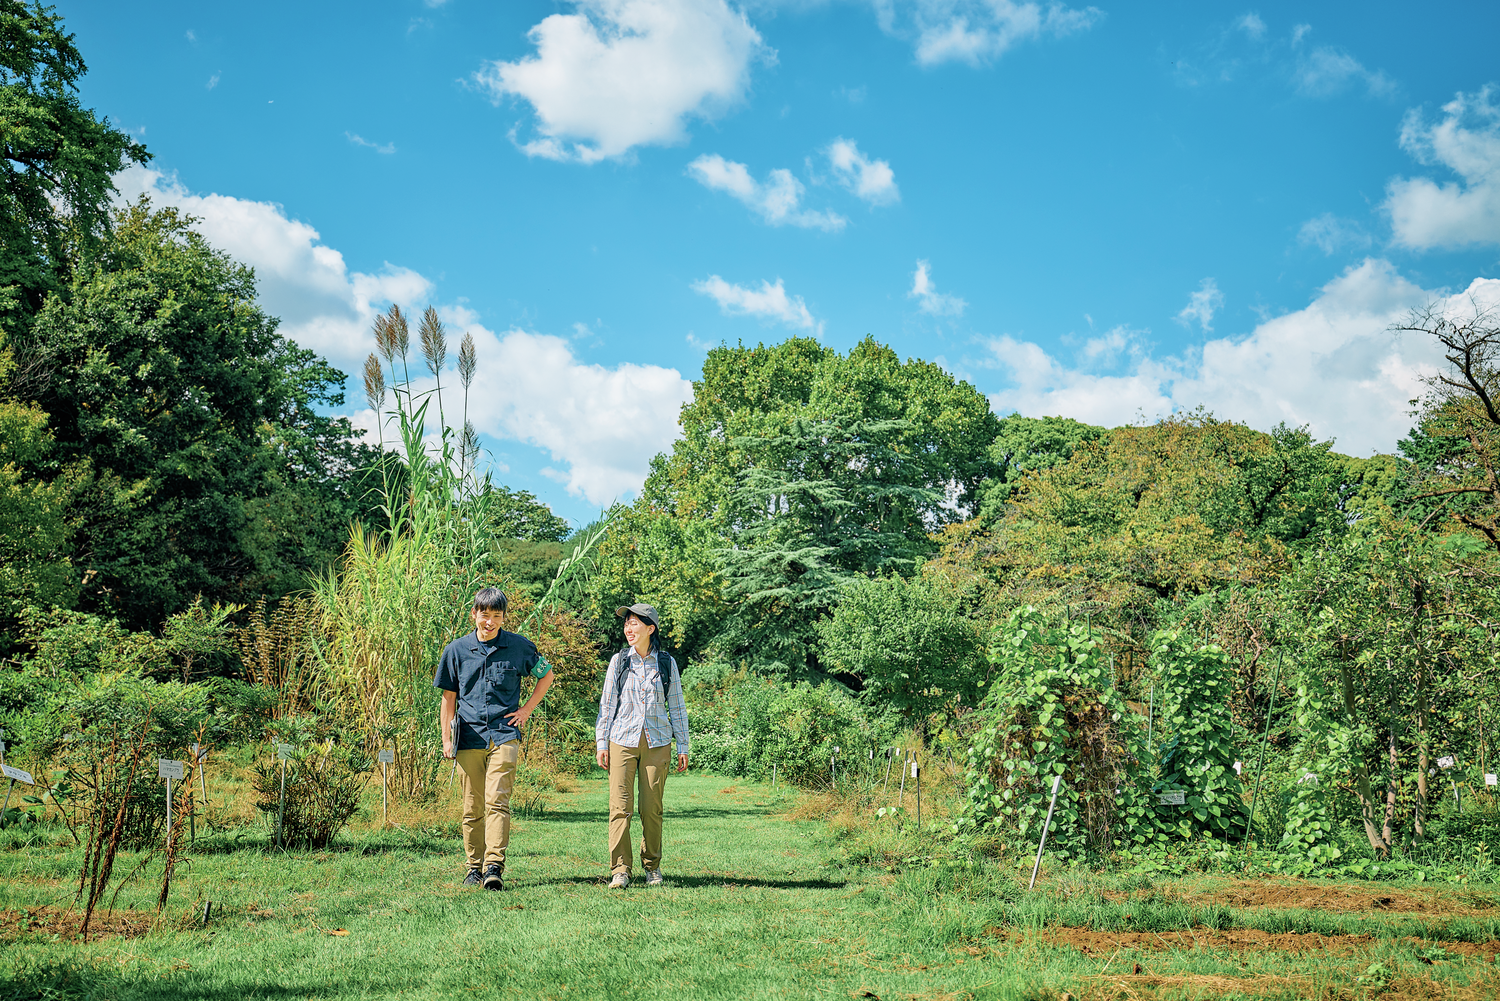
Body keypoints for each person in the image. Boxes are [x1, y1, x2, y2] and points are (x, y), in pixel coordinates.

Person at [435, 588, 553, 890]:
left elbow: (546, 675)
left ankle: (493, 866)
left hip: (504, 735)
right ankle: (473, 867)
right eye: (484, 615)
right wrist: (446, 739)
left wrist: (526, 710)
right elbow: (449, 699)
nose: (490, 622)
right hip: (468, 737)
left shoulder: (520, 647)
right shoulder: (456, 651)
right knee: (472, 807)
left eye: (496, 616)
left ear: (503, 617)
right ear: (474, 614)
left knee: (497, 802)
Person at [595, 603, 689, 889]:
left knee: (651, 809)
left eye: (635, 623)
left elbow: (677, 705)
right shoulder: (619, 661)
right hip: (621, 740)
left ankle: (652, 867)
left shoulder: (666, 663)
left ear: (651, 629)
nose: (628, 628)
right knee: (619, 808)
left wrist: (683, 744)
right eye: (627, 623)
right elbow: (607, 705)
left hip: (658, 741)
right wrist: (602, 741)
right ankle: (620, 869)